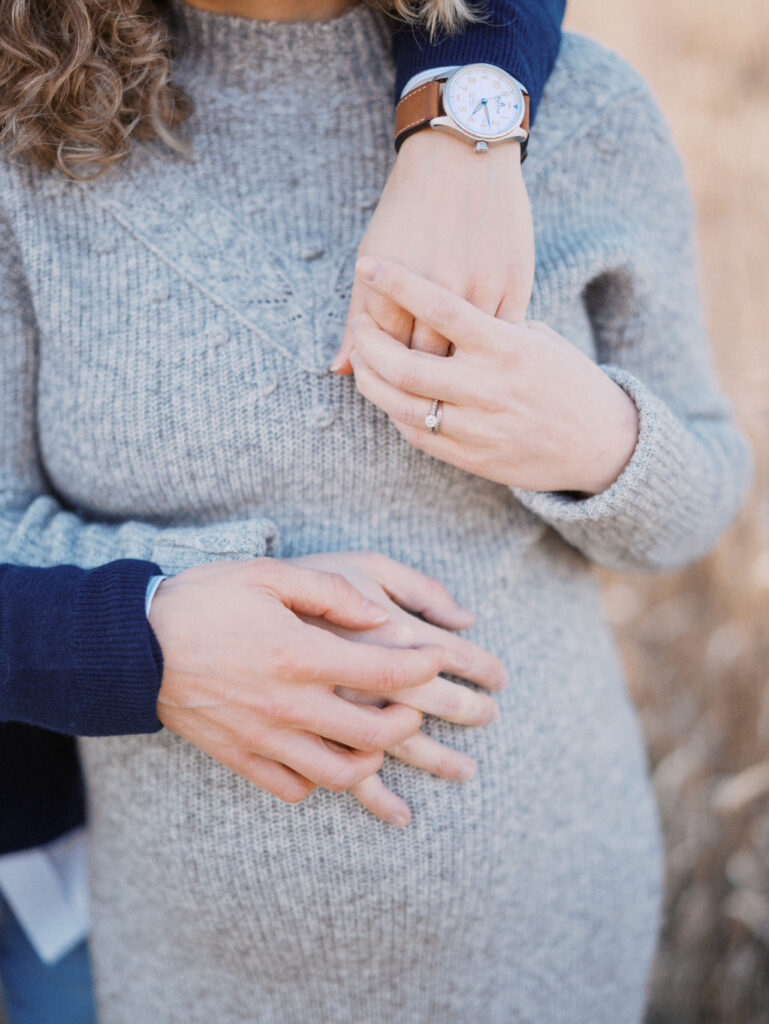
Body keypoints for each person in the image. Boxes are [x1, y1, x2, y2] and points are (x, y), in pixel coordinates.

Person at [0, 0, 751, 1022]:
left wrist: (592, 437)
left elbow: (699, 493)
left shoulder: (581, 107)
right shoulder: (33, 140)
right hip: (185, 970)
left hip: (551, 939)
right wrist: (157, 622)